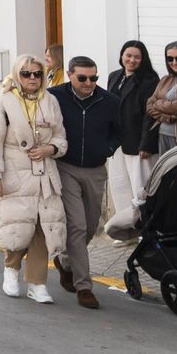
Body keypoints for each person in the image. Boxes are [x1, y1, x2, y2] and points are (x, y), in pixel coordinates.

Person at [0, 54, 68, 305]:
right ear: (17, 75)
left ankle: (37, 283)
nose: (32, 78)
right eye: (26, 73)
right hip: (15, 175)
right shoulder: (2, 103)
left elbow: (61, 138)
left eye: (37, 73)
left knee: (44, 229)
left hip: (45, 177)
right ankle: (11, 271)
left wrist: (50, 149)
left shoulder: (50, 100)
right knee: (18, 226)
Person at [48, 56, 120, 309]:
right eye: (83, 78)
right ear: (70, 75)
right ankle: (84, 286)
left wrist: (107, 148)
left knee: (90, 226)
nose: (89, 83)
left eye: (94, 78)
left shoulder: (109, 101)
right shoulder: (54, 97)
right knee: (77, 225)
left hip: (95, 169)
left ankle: (65, 261)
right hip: (65, 167)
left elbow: (119, 130)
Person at [106, 39, 159, 216]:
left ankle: (144, 226)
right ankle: (124, 226)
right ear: (122, 56)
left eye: (137, 57)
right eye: (128, 55)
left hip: (137, 142)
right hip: (116, 141)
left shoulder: (150, 80)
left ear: (143, 59)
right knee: (119, 184)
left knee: (140, 185)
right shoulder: (115, 76)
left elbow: (150, 114)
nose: (132, 60)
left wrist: (146, 143)